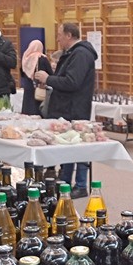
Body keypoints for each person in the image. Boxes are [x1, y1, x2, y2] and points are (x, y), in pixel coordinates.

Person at [35, 23, 97, 198]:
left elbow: (72, 82)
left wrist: (49, 79)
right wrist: (51, 81)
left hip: (74, 108)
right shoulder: (72, 53)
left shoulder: (81, 54)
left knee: (78, 147)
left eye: (60, 35)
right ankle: (65, 182)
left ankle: (81, 185)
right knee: (67, 145)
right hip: (67, 107)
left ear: (69, 35)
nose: (58, 39)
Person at [20, 40, 52, 116]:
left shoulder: (26, 58)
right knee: (37, 108)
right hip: (39, 86)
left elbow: (22, 73)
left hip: (28, 86)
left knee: (28, 107)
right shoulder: (42, 58)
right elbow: (50, 73)